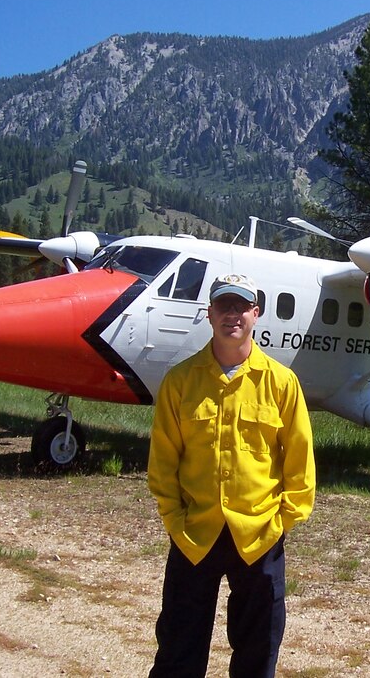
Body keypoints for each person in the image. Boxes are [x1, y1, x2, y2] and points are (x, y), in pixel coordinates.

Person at [147, 273, 316, 677]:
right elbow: (163, 463)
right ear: (209, 314)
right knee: (177, 651)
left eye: (242, 306)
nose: (232, 315)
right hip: (195, 534)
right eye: (224, 306)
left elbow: (300, 465)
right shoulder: (180, 381)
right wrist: (174, 521)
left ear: (256, 314)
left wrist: (282, 522)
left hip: (259, 536)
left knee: (258, 652)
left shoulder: (281, 383)